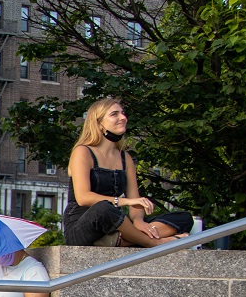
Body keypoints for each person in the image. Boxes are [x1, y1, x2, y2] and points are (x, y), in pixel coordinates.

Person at [62, 98, 193, 247]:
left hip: (115, 225)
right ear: (99, 123)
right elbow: (83, 198)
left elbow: (135, 201)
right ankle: (154, 243)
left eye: (123, 113)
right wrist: (126, 202)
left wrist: (138, 221)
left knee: (184, 218)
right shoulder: (82, 152)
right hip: (83, 226)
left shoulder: (126, 158)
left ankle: (124, 239)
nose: (123, 118)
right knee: (104, 208)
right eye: (114, 114)